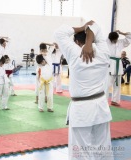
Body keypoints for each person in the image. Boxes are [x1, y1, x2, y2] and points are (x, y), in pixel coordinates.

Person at [54, 21, 113, 160]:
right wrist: (88, 38)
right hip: (101, 107)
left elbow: (59, 33)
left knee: (80, 152)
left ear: (76, 41)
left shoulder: (75, 53)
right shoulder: (104, 51)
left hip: (82, 110)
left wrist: (81, 28)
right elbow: (96, 25)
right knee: (103, 149)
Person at [106, 30, 131, 106]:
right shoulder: (107, 42)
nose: (115, 41)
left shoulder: (120, 42)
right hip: (110, 64)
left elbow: (129, 36)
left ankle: (115, 100)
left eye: (116, 39)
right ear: (110, 39)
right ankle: (104, 101)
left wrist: (122, 32)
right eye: (113, 40)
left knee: (117, 84)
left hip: (118, 64)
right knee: (107, 84)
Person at [36, 43, 54, 112]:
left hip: (49, 80)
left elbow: (53, 45)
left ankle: (50, 107)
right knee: (41, 94)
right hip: (42, 80)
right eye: (42, 50)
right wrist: (41, 54)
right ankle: (41, 107)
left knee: (50, 95)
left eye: (45, 50)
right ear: (40, 50)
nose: (43, 51)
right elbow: (38, 64)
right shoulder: (39, 57)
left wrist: (45, 43)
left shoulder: (48, 55)